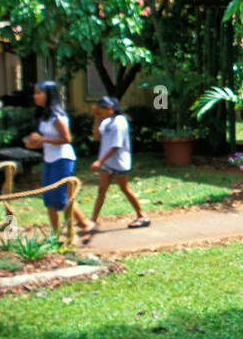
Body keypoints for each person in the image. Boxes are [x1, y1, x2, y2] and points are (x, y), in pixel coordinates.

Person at [23, 80, 90, 237]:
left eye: (39, 93)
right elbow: (47, 140)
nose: (35, 96)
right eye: (35, 92)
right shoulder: (43, 116)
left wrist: (42, 139)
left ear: (49, 94)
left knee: (60, 197)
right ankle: (56, 233)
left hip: (63, 159)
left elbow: (67, 139)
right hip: (49, 159)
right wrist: (33, 144)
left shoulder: (57, 116)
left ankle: (82, 225)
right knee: (48, 197)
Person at [88, 96, 149, 235]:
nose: (100, 114)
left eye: (100, 111)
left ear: (109, 108)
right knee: (101, 191)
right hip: (107, 163)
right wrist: (97, 118)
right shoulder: (106, 122)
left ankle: (142, 215)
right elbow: (96, 136)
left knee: (125, 189)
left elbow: (116, 146)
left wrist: (99, 162)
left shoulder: (120, 122)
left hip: (119, 163)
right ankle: (93, 220)